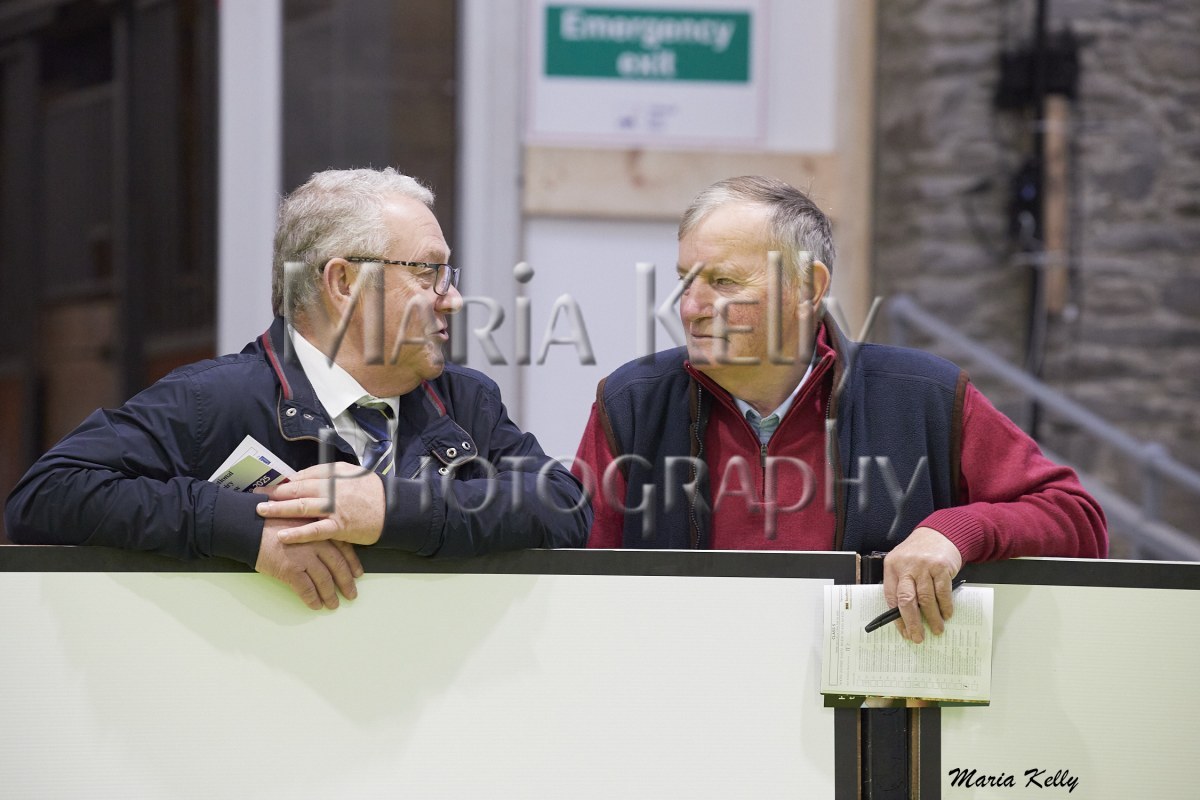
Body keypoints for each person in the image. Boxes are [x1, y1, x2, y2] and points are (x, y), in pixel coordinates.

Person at [6, 167, 590, 609]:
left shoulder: (466, 400)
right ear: (343, 282)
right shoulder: (216, 400)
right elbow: (47, 494)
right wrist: (242, 530)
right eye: (428, 272)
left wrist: (391, 509)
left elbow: (564, 505)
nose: (453, 299)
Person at [573, 176, 1106, 642]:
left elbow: (1077, 521)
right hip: (690, 705)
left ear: (809, 288)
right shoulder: (631, 403)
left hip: (867, 721)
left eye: (724, 282)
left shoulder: (924, 395)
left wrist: (956, 532)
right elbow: (573, 578)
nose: (690, 307)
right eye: (685, 281)